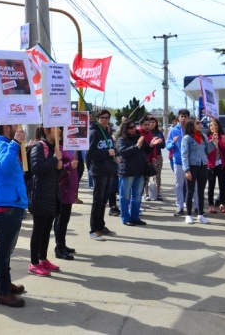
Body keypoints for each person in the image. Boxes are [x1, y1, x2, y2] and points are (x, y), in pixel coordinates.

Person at [0, 119, 27, 308]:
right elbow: (5, 165)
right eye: (17, 125)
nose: (20, 128)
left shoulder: (2, 144)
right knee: (3, 251)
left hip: (11, 203)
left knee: (7, 250)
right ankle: (2, 292)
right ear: (7, 127)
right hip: (6, 206)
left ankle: (5, 284)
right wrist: (16, 144)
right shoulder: (0, 144)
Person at [28, 126, 62, 277]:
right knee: (38, 230)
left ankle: (43, 259)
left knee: (47, 230)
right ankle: (34, 263)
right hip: (40, 195)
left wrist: (60, 167)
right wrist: (55, 159)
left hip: (50, 194)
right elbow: (36, 168)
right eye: (57, 129)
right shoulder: (39, 146)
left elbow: (53, 173)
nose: (60, 131)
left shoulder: (52, 147)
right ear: (47, 131)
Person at [115, 120, 162, 226]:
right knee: (125, 196)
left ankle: (135, 217)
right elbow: (123, 152)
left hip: (140, 171)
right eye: (130, 127)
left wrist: (151, 145)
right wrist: (137, 146)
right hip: (127, 171)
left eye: (134, 127)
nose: (133, 129)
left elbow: (146, 150)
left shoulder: (138, 137)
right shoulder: (121, 139)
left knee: (136, 196)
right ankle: (125, 218)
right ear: (125, 129)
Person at [85, 110, 116, 241]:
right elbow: (90, 154)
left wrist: (114, 157)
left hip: (109, 170)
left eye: (107, 118)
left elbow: (111, 150)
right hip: (98, 171)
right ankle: (93, 229)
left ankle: (101, 225)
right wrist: (106, 153)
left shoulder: (107, 133)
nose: (105, 120)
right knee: (97, 200)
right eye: (102, 118)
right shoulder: (94, 133)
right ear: (97, 119)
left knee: (104, 200)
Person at [181, 119, 215, 225]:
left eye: (200, 123)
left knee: (201, 191)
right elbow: (184, 155)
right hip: (192, 166)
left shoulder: (203, 136)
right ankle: (189, 215)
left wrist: (214, 142)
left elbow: (207, 151)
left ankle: (200, 214)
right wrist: (186, 170)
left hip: (203, 166)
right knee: (190, 191)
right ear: (191, 125)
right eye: (197, 123)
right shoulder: (187, 138)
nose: (200, 125)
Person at [166, 109, 199, 217]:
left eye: (185, 116)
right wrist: (173, 142)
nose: (183, 118)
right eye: (181, 116)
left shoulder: (193, 130)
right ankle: (180, 206)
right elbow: (167, 146)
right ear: (178, 118)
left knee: (193, 186)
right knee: (179, 185)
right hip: (179, 162)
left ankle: (196, 207)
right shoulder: (173, 131)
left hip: (192, 163)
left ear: (188, 118)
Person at [54, 139, 79, 260]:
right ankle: (59, 248)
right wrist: (69, 165)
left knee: (64, 219)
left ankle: (62, 244)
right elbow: (57, 169)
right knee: (61, 219)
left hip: (68, 189)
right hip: (63, 188)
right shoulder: (57, 148)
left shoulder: (65, 146)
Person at [206, 119, 225, 214]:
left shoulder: (223, 136)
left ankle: (222, 204)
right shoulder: (207, 137)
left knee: (222, 186)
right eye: (211, 125)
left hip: (221, 165)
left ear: (218, 126)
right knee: (211, 186)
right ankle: (211, 205)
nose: (212, 127)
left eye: (215, 125)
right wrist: (214, 143)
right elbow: (206, 152)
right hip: (211, 165)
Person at [148, 116, 166, 201]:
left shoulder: (159, 133)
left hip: (158, 156)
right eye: (150, 122)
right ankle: (147, 194)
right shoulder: (146, 132)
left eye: (153, 122)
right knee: (146, 175)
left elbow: (163, 146)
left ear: (156, 123)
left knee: (157, 175)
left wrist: (160, 142)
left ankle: (158, 193)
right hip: (148, 156)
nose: (151, 123)